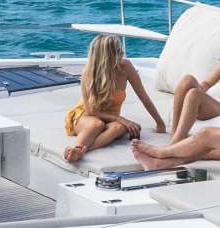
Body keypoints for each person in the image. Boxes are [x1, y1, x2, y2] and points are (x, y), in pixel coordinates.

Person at [62, 33, 166, 164]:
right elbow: (90, 111)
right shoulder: (89, 71)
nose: (121, 52)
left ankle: (81, 151)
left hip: (110, 119)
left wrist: (160, 123)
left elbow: (143, 97)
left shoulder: (126, 67)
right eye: (117, 50)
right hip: (87, 116)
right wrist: (121, 119)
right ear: (109, 55)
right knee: (97, 124)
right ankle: (77, 148)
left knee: (119, 128)